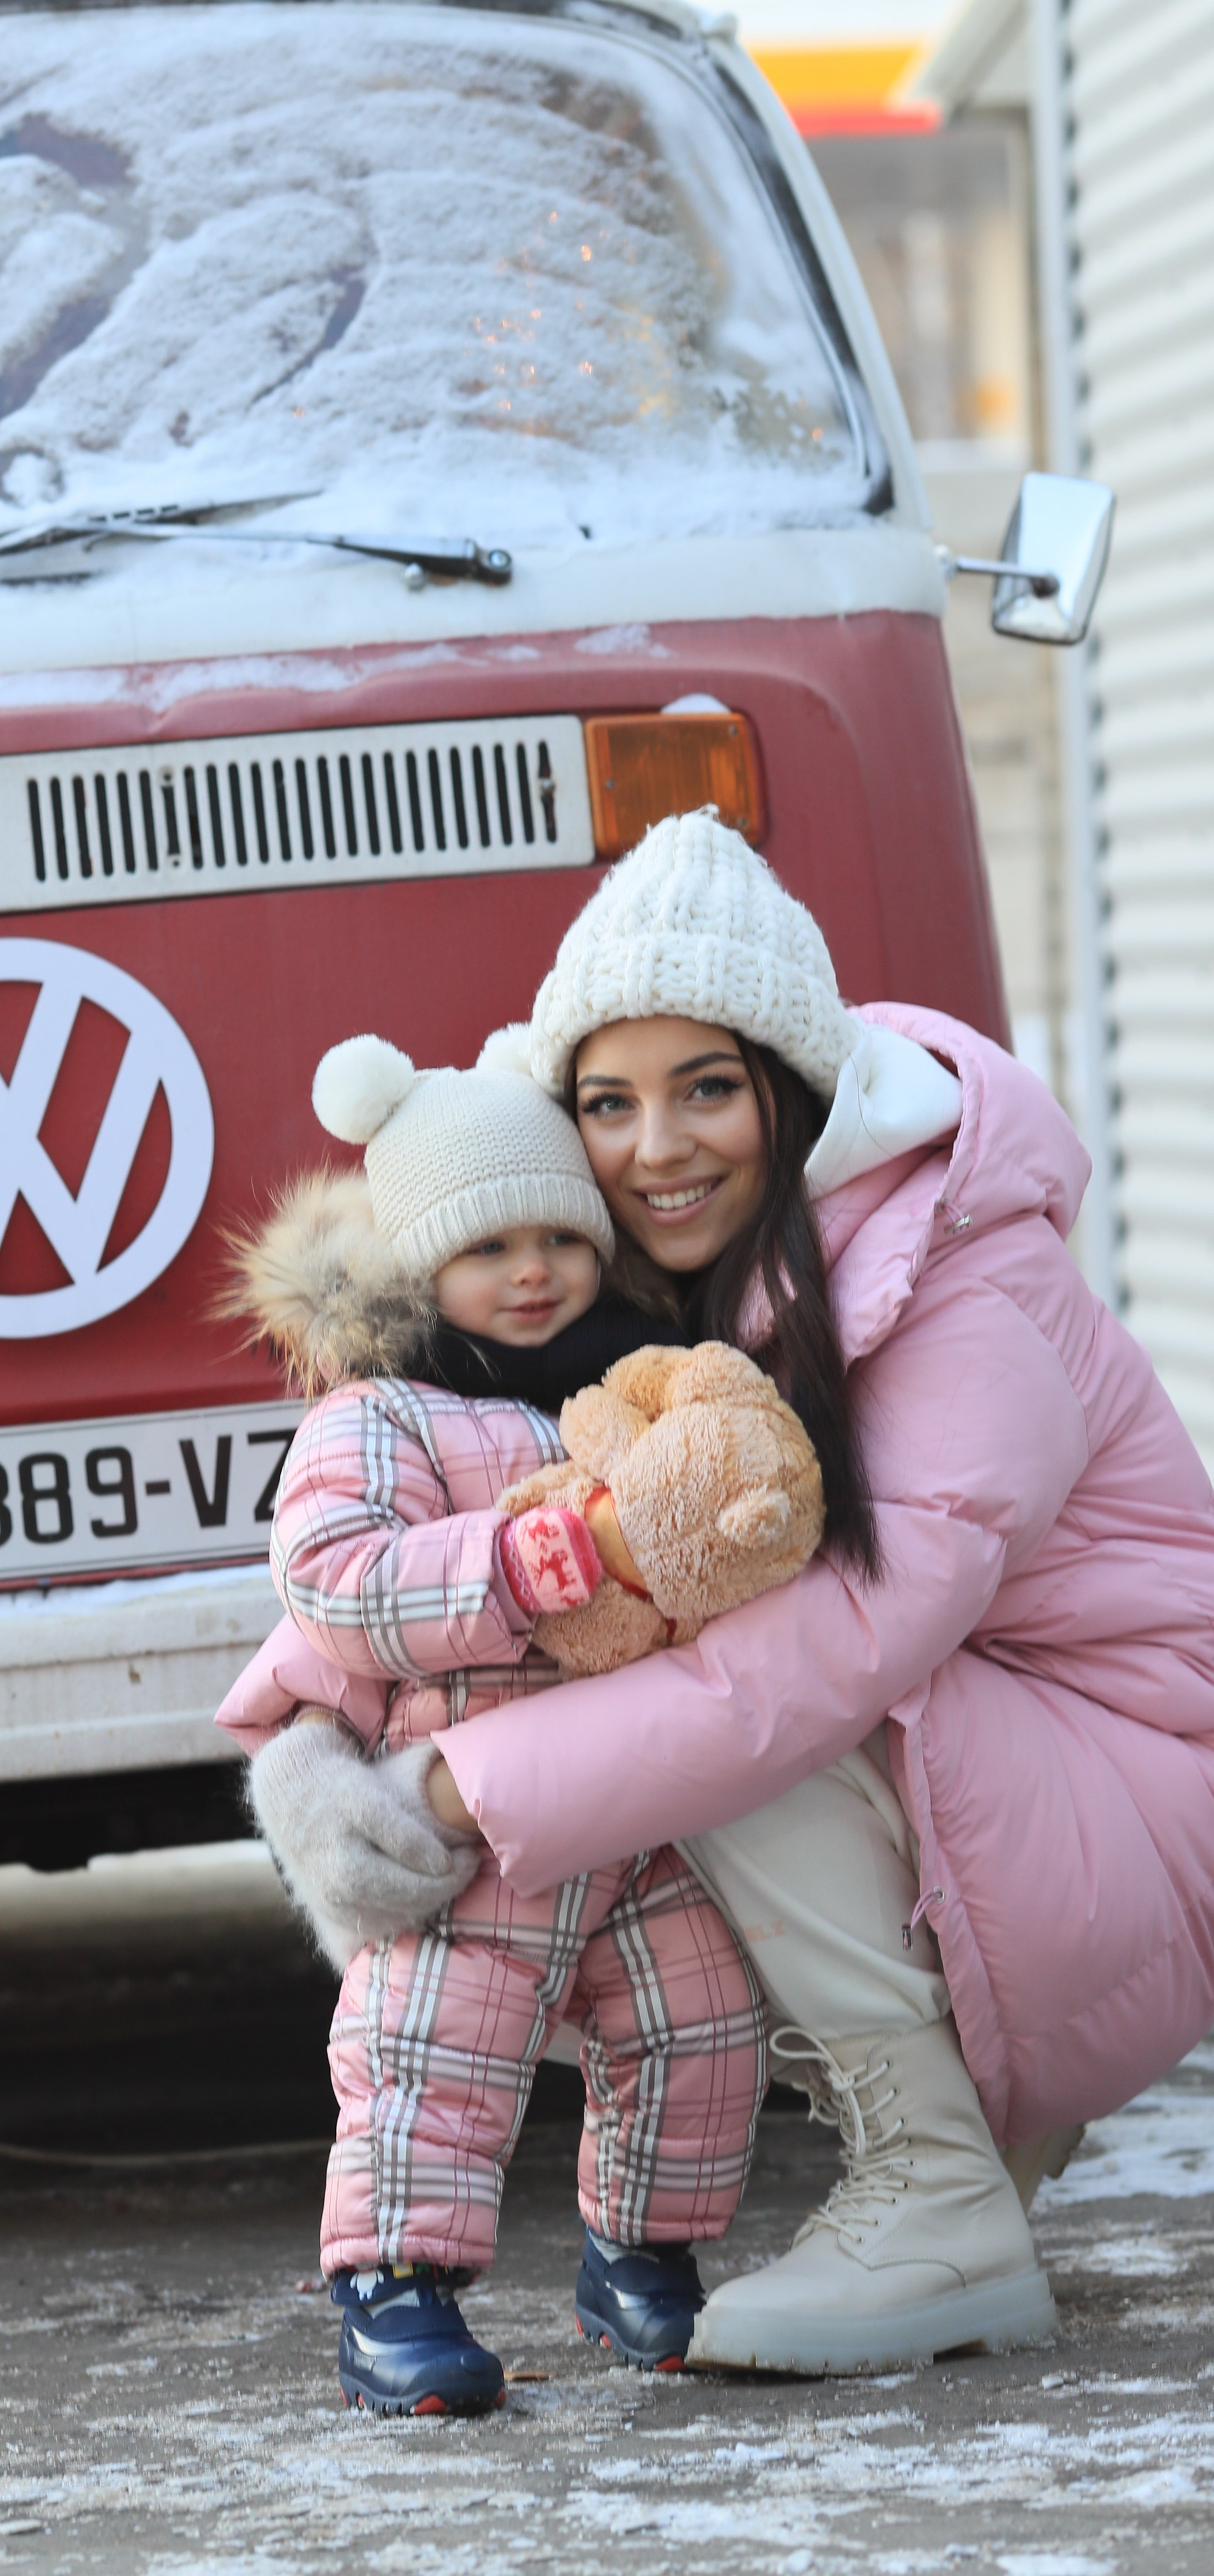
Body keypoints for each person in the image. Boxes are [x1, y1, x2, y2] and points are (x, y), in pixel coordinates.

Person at [250, 808, 1214, 2375]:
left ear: (792, 1088)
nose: (657, 1147)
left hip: (1142, 1810)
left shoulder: (966, 1285)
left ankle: (935, 2187)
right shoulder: (679, 1281)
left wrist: (448, 1781)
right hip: (1037, 1795)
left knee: (730, 1706)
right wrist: (302, 1743)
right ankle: (971, 2141)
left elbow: (824, 1659)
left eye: (707, 1087)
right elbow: (436, 1526)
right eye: (609, 1103)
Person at [218, 1028, 772, 2414]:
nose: (529, 1273)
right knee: (434, 2048)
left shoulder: (639, 1380)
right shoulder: (383, 1415)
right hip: (462, 1798)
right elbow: (333, 1577)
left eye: (556, 1238)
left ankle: (640, 2252)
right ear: (419, 1268)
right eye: (486, 1249)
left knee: (695, 2022)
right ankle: (393, 2285)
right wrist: (511, 1569)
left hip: (641, 1787)